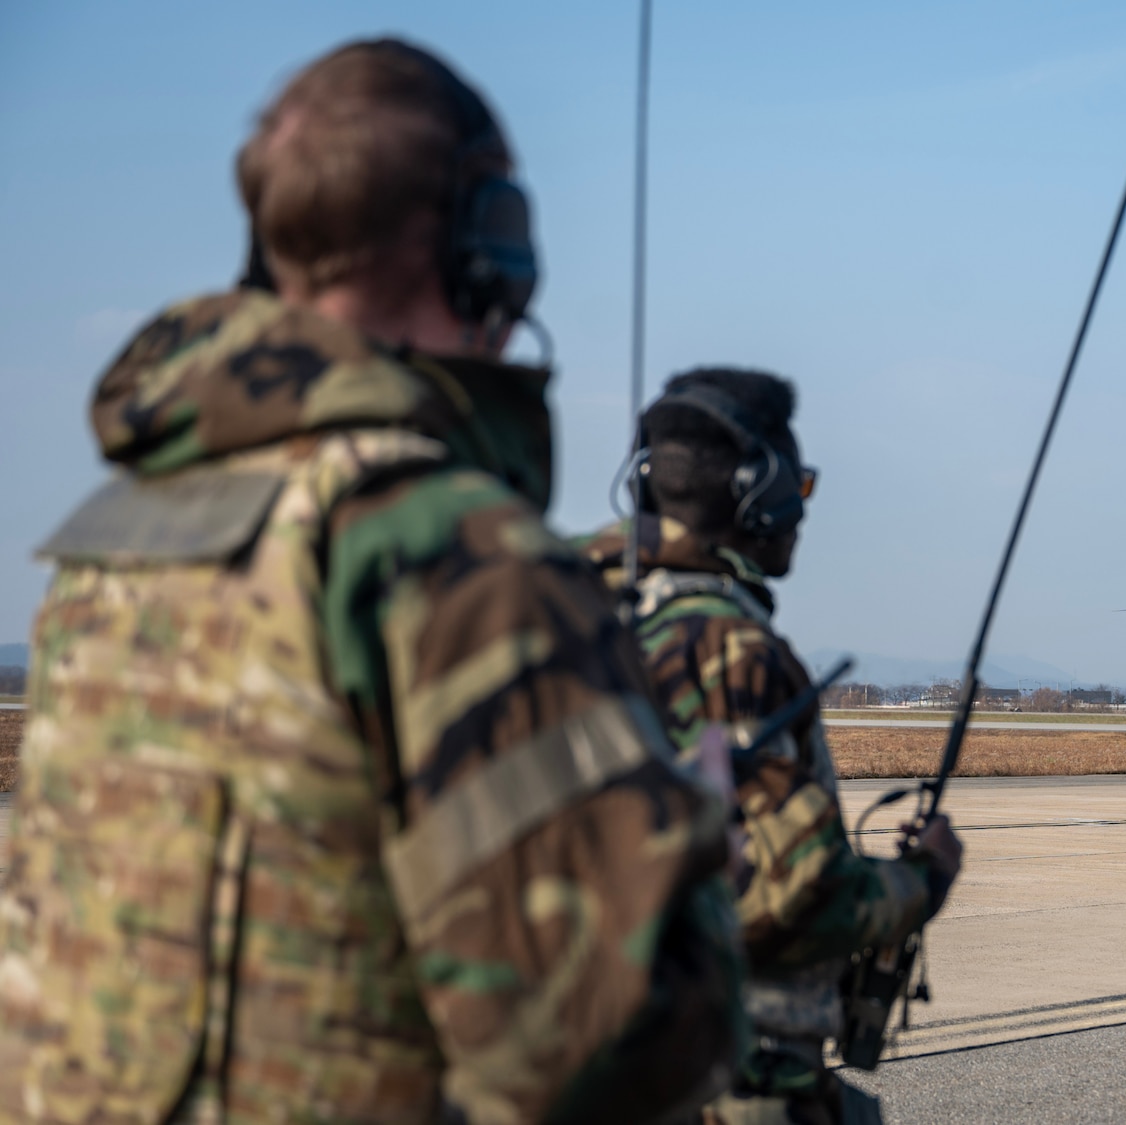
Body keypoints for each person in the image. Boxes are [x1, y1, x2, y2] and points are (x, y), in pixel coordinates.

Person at [0, 40, 744, 1124]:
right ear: (490, 247)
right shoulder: (445, 547)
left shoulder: (117, 537)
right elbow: (610, 1044)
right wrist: (693, 844)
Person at [580, 369, 963, 1125]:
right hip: (721, 1073)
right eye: (803, 488)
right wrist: (924, 877)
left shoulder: (563, 612)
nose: (801, 513)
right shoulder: (728, 649)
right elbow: (790, 901)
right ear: (759, 489)